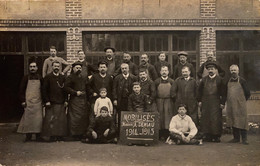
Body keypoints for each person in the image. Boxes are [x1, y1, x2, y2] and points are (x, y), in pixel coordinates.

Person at [197, 62, 226, 142]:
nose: (210, 70)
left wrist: (222, 103)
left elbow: (223, 93)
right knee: (205, 118)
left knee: (215, 119)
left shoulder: (220, 80)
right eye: (209, 69)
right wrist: (199, 101)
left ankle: (216, 136)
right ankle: (207, 135)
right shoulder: (203, 80)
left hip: (216, 102)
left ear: (215, 70)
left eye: (212, 69)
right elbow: (199, 91)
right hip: (205, 101)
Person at [17, 61, 44, 142]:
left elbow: (43, 90)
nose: (32, 68)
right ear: (29, 68)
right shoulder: (25, 78)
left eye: (34, 67)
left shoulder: (40, 77)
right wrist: (23, 101)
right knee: (28, 119)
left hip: (38, 102)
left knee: (38, 120)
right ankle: (28, 136)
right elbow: (21, 90)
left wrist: (44, 100)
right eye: (31, 67)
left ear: (37, 68)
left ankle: (38, 136)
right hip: (28, 102)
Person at [42, 61, 68, 142]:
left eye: (58, 66)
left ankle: (60, 136)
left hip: (61, 101)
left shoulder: (62, 77)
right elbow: (44, 90)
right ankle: (52, 136)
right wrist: (47, 101)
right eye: (55, 66)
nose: (56, 67)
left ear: (60, 67)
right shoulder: (48, 77)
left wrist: (66, 100)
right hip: (51, 102)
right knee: (51, 120)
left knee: (60, 120)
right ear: (52, 67)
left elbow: (65, 90)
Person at [64, 61, 90, 140]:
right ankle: (73, 134)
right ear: (73, 69)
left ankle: (81, 134)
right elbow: (66, 88)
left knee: (82, 117)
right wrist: (75, 92)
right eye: (77, 68)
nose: (78, 69)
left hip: (83, 100)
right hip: (74, 100)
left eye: (80, 68)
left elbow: (87, 87)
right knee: (73, 118)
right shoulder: (70, 77)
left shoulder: (83, 77)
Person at [226, 65, 251, 145]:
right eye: (232, 70)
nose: (233, 72)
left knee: (242, 120)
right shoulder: (228, 80)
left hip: (240, 104)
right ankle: (236, 138)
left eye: (235, 70)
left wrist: (241, 101)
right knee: (233, 120)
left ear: (238, 71)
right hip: (231, 105)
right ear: (230, 71)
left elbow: (247, 93)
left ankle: (244, 139)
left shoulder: (242, 81)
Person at [154, 66, 175, 140]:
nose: (164, 72)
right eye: (162, 70)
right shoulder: (157, 81)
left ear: (168, 72)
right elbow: (154, 92)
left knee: (168, 116)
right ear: (160, 72)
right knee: (160, 117)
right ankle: (160, 133)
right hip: (159, 101)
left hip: (168, 101)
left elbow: (174, 92)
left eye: (165, 70)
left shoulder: (172, 81)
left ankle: (167, 133)